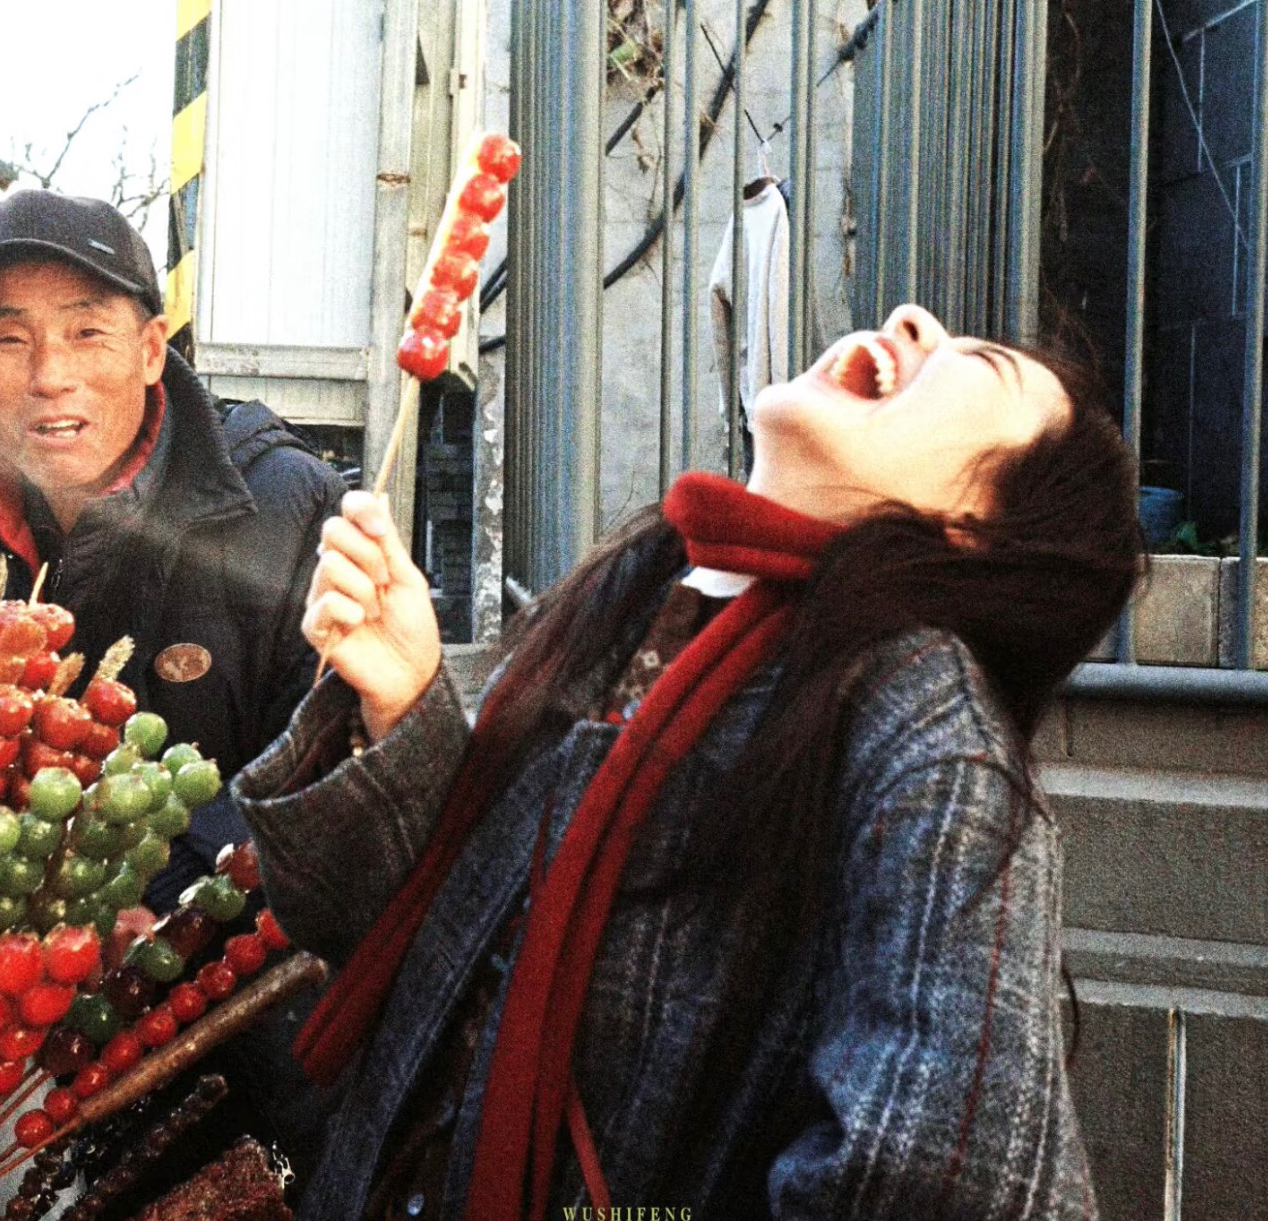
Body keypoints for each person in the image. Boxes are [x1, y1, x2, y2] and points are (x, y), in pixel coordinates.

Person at [235, 304, 1142, 1219]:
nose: (913, 317)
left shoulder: (928, 729)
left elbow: (945, 1180)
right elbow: (424, 955)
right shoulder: (635, 593)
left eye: (977, 366)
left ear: (976, 533)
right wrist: (403, 707)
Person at [0, 189, 347, 1184]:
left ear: (153, 350)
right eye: (10, 339)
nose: (49, 374)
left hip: (237, 1032)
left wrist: (151, 899)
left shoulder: (285, 509)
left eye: (86, 331)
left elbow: (325, 771)